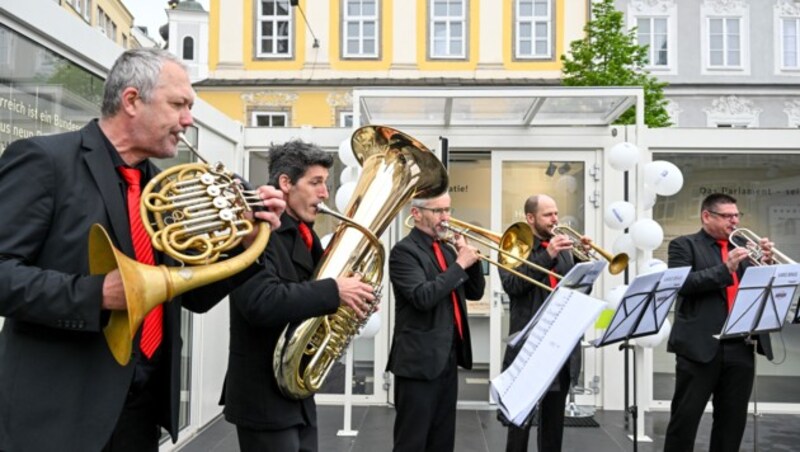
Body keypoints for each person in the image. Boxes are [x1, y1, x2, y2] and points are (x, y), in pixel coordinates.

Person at [0, 48, 285, 452]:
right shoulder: (45, 161)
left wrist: (244, 242)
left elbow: (193, 296)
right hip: (59, 416)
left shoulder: (162, 186)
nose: (188, 119)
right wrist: (96, 294)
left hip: (142, 412)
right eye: (178, 105)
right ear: (132, 100)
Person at [220, 140, 376, 452]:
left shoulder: (306, 236)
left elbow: (312, 300)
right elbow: (261, 302)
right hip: (262, 393)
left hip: (295, 391)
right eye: (315, 182)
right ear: (285, 183)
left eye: (326, 184)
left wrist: (353, 298)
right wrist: (335, 291)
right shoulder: (256, 227)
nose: (325, 194)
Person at [664, 193, 774, 452]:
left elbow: (759, 289)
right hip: (700, 347)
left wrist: (766, 263)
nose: (734, 221)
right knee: (685, 420)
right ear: (706, 216)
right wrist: (725, 269)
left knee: (732, 423)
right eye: (727, 216)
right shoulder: (684, 245)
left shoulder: (747, 247)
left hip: (741, 344)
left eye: (736, 215)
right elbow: (683, 285)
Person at [387, 193, 485, 452]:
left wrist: (468, 258)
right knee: (412, 442)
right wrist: (460, 264)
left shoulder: (446, 249)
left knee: (442, 441)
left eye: (448, 209)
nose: (446, 217)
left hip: (446, 358)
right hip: (418, 362)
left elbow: (475, 292)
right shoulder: (404, 251)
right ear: (416, 213)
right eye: (438, 211)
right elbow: (423, 296)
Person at [498, 194, 585, 452]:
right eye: (548, 214)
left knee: (553, 424)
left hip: (560, 343)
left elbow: (575, 290)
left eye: (556, 213)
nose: (555, 219)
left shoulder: (566, 249)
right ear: (530, 218)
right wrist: (546, 255)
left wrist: (583, 261)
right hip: (529, 345)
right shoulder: (515, 246)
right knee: (520, 421)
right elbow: (512, 286)